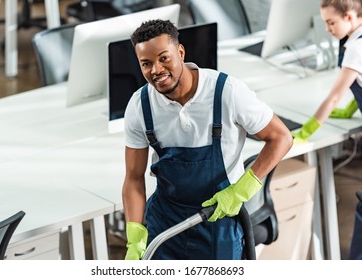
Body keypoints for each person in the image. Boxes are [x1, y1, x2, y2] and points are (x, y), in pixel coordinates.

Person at [122, 19, 292, 260]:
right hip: (165, 224)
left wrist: (241, 191)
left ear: (180, 52)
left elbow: (281, 138)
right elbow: (133, 178)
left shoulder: (227, 92)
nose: (156, 70)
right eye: (146, 64)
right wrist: (135, 235)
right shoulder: (141, 105)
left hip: (218, 224)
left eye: (164, 58)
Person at [292, 0, 362, 143]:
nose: (327, 29)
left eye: (331, 23)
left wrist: (305, 133)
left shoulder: (355, 49)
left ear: (348, 17)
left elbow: (334, 98)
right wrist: (348, 111)